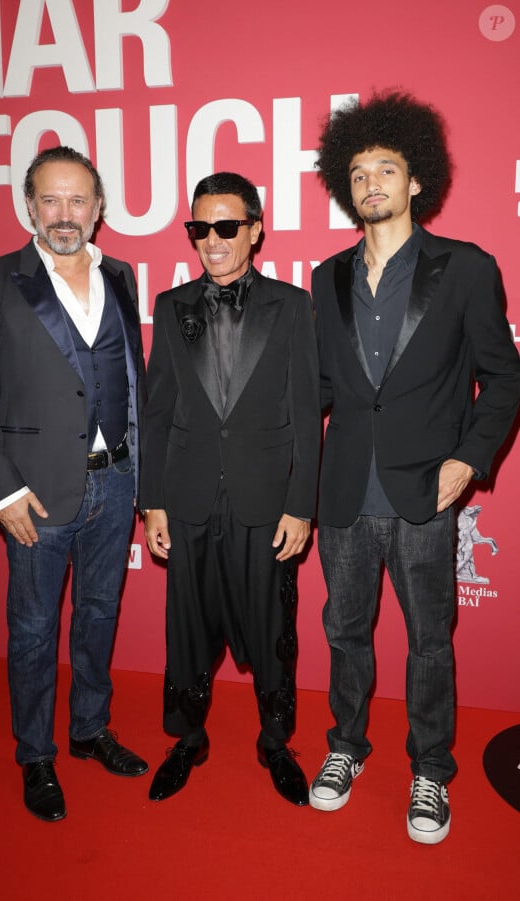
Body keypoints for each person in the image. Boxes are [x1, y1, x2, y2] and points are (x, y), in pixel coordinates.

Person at [309, 92, 520, 844]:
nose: (371, 183)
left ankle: (430, 766)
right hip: (342, 493)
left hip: (425, 496)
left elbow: (504, 378)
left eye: (385, 169)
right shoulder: (324, 277)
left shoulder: (464, 268)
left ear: (415, 180)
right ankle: (346, 746)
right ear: (345, 183)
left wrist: (468, 459)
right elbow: (323, 393)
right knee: (344, 631)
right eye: (358, 172)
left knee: (431, 638)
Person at [0, 146, 148, 822]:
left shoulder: (121, 274)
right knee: (33, 628)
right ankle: (36, 753)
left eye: (78, 200)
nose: (65, 214)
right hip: (34, 492)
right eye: (50, 200)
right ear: (29, 206)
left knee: (100, 616)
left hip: (116, 483)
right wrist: (3, 491)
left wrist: (142, 478)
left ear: (99, 209)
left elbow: (132, 382)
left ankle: (90, 729)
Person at [141, 172, 320, 805]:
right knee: (184, 628)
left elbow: (306, 415)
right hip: (187, 499)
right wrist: (153, 499)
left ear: (255, 229)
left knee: (273, 628)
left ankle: (275, 742)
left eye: (226, 227)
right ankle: (187, 739)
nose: (211, 242)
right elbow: (156, 410)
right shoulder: (170, 305)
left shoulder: (293, 307)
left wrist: (302, 506)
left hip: (264, 500)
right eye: (199, 229)